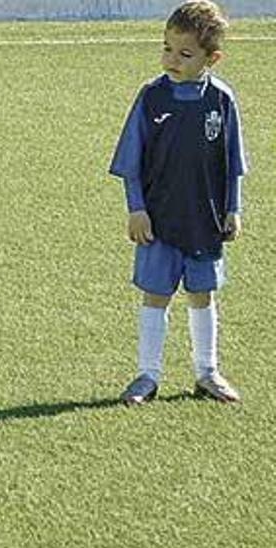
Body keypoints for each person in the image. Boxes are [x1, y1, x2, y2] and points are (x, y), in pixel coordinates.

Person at [110, 1, 247, 406]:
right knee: (156, 295)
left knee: (202, 295)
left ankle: (207, 371)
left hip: (204, 218)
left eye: (185, 53)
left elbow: (233, 161)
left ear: (212, 58)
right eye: (167, 48)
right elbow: (131, 162)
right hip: (158, 220)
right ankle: (147, 375)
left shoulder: (222, 101)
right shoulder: (151, 98)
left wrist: (233, 207)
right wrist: (136, 208)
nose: (172, 59)